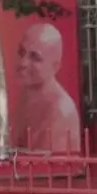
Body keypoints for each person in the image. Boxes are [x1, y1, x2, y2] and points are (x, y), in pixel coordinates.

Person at [12, 23, 80, 153]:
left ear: (55, 66)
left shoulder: (61, 110)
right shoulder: (26, 97)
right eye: (21, 53)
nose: (23, 63)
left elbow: (48, 168)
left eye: (35, 57)